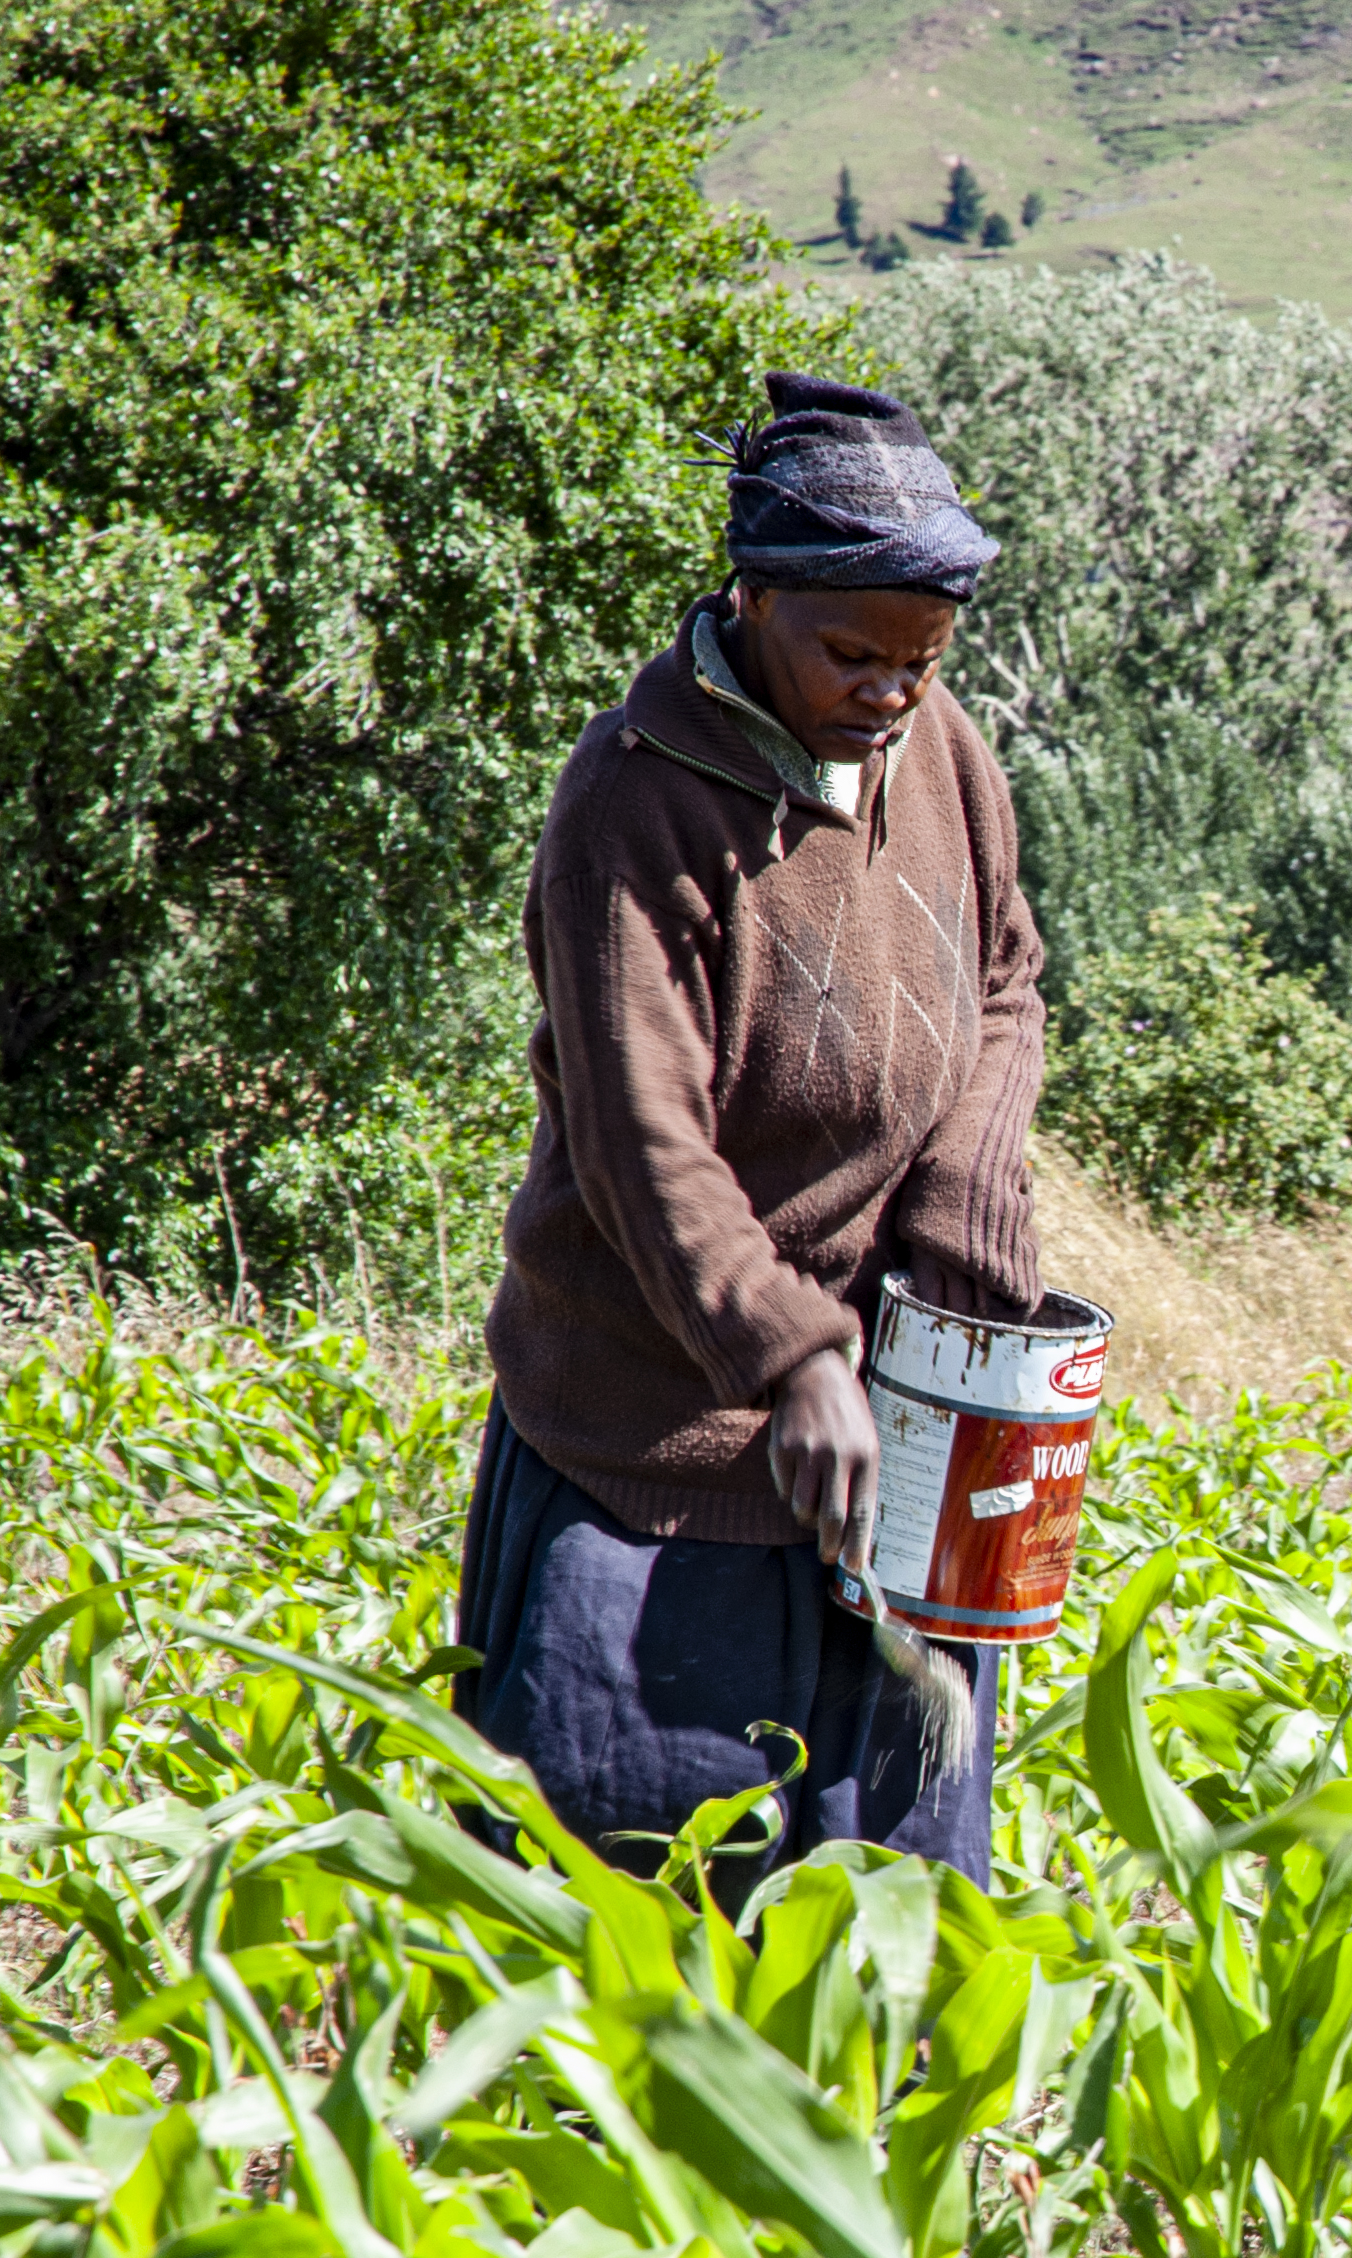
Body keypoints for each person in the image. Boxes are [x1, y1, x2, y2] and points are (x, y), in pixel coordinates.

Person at [454, 373, 1044, 1896]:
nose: (892, 694)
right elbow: (641, 1142)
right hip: (661, 1437)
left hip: (896, 1430)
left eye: (923, 660)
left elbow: (1005, 983)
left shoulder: (941, 752)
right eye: (852, 653)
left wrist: (964, 1215)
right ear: (755, 598)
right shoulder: (634, 808)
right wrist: (791, 1357)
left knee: (883, 1921)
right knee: (631, 1900)